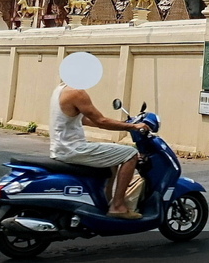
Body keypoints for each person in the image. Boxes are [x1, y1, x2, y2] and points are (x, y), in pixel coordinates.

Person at [50, 82, 148, 219]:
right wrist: (132, 126)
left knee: (114, 157)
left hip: (61, 147)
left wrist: (113, 123)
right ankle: (118, 207)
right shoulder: (76, 92)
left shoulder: (60, 89)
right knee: (130, 153)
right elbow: (101, 121)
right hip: (73, 149)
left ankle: (106, 202)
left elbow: (83, 119)